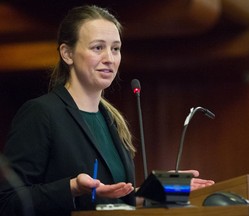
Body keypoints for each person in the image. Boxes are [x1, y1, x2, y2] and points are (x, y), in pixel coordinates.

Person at [0, 5, 214, 216]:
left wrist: (158, 190)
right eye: (97, 47)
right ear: (67, 54)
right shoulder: (41, 113)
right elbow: (7, 200)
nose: (110, 59)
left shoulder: (112, 119)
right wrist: (72, 187)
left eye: (115, 48)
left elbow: (114, 200)